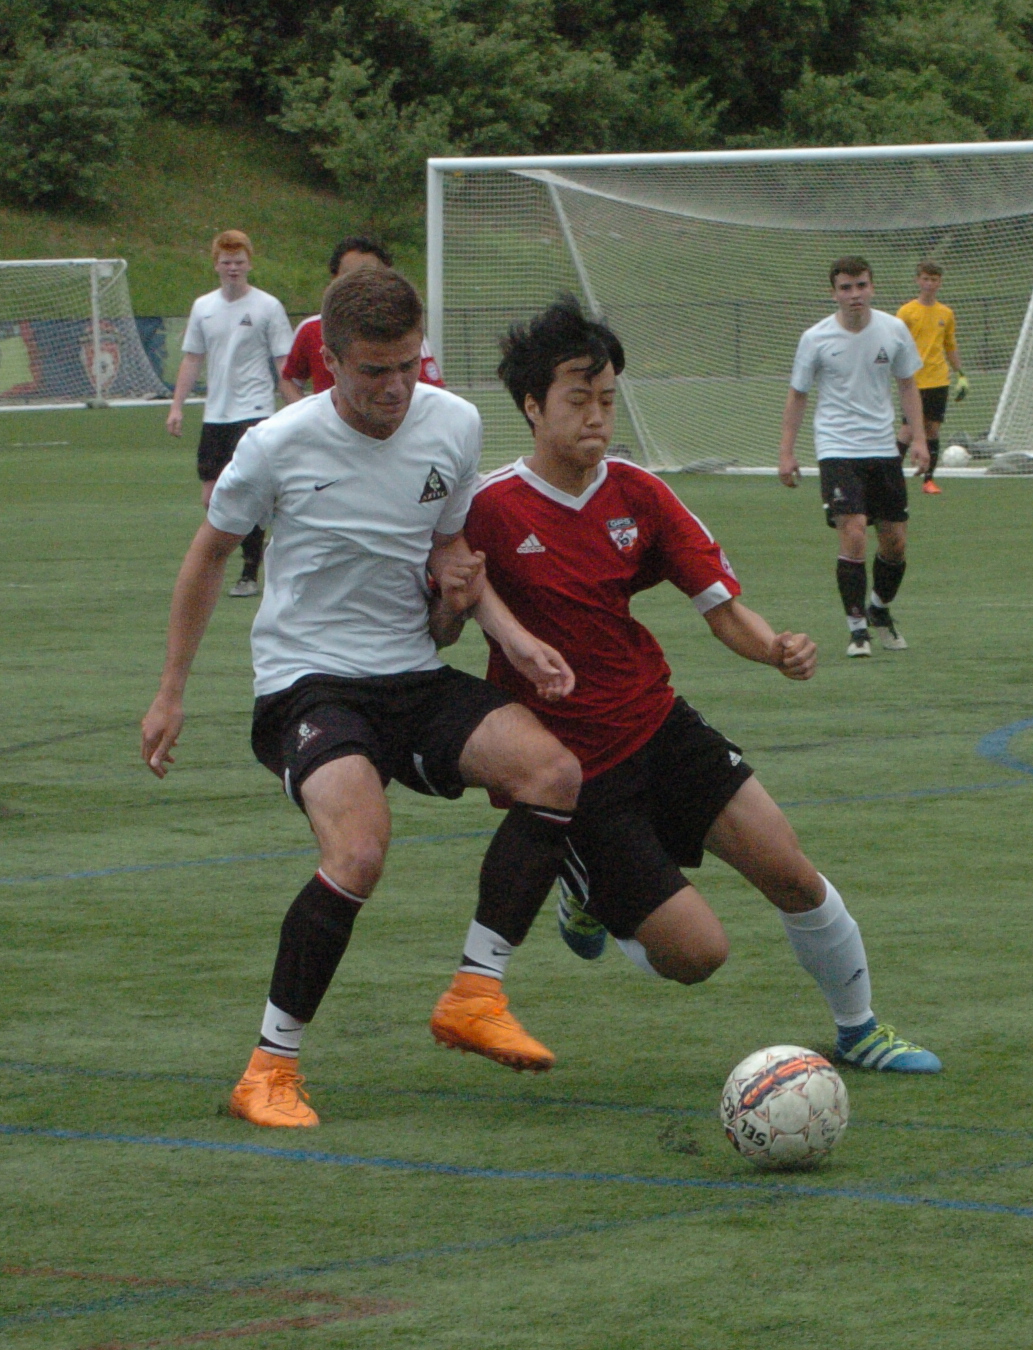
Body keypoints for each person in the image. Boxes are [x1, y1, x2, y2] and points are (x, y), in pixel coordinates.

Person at [140, 267, 586, 1130]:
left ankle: (475, 994)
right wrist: (171, 692)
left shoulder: (453, 424)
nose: (395, 388)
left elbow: (450, 553)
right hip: (307, 681)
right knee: (359, 849)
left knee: (553, 773)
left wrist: (506, 633)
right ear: (331, 363)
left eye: (408, 366)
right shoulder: (275, 444)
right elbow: (208, 555)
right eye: (374, 371)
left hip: (409, 672)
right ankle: (268, 1069)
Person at [460, 298, 941, 1075]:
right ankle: (585, 889)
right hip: (574, 774)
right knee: (697, 955)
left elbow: (721, 609)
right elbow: (440, 616)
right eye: (578, 400)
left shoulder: (638, 494)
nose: (597, 417)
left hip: (660, 728)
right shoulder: (486, 509)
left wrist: (774, 648)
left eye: (607, 399)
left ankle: (859, 1030)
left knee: (792, 872)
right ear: (531, 406)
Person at [779, 257, 929, 660]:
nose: (854, 294)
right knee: (855, 531)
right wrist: (787, 452)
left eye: (861, 285)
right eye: (845, 288)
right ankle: (857, 629)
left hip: (883, 448)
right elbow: (798, 394)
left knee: (895, 542)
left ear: (872, 288)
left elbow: (907, 384)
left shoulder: (893, 330)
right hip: (837, 448)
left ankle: (879, 608)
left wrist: (919, 438)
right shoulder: (815, 338)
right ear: (834, 294)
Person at [167, 230, 297, 598]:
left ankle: (249, 571)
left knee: (248, 490)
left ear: (249, 263)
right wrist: (177, 406)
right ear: (216, 266)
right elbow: (193, 358)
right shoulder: (203, 307)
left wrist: (295, 406)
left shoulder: (267, 306)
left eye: (239, 262)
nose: (233, 268)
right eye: (226, 262)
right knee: (211, 496)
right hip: (216, 413)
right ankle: (243, 550)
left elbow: (283, 362)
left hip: (254, 411)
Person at [281, 236, 446, 403]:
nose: (361, 285)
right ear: (334, 280)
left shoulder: (405, 332)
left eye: (371, 277)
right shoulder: (311, 329)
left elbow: (434, 395)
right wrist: (310, 415)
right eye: (350, 277)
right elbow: (289, 380)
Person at [895, 261, 965, 497]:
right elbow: (896, 343)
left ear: (939, 283)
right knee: (908, 430)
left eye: (934, 280)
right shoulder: (906, 312)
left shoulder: (946, 313)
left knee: (932, 430)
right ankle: (891, 476)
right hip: (913, 381)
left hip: (939, 379)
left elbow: (950, 345)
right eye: (925, 279)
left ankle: (929, 480)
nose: (929, 284)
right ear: (918, 280)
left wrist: (961, 374)